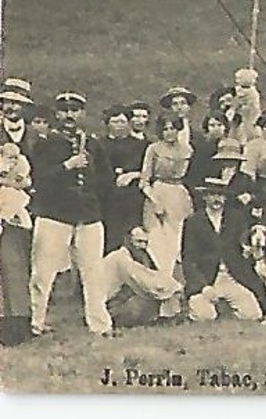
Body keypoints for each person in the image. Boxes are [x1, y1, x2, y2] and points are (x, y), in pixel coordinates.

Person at [29, 92, 115, 337]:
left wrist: (94, 200)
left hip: (88, 215)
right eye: (64, 110)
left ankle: (100, 325)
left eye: (75, 110)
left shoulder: (94, 144)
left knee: (94, 272)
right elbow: (40, 180)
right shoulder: (46, 144)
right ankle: (36, 322)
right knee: (43, 272)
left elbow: (106, 181)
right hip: (54, 214)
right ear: (56, 114)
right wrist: (68, 165)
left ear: (83, 114)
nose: (69, 115)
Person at [183, 178, 266, 322]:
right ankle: (208, 307)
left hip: (231, 277)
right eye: (212, 195)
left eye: (221, 195)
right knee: (205, 317)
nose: (217, 199)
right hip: (208, 279)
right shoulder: (194, 221)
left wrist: (249, 250)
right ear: (205, 197)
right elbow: (188, 260)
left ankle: (225, 308)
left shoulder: (236, 218)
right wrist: (202, 287)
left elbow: (245, 245)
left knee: (253, 315)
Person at [139, 115, 193, 276]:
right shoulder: (153, 149)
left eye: (173, 128)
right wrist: (155, 201)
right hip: (157, 193)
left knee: (178, 237)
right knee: (157, 240)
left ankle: (179, 279)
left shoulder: (187, 150)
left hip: (179, 194)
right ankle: (163, 276)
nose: (169, 132)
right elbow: (144, 181)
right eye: (165, 129)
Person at [101, 225, 185, 328]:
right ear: (127, 241)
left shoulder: (138, 256)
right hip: (107, 307)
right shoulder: (121, 258)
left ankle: (169, 316)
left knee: (151, 298)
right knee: (144, 301)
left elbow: (153, 275)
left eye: (145, 242)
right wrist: (175, 287)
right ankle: (166, 317)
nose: (142, 246)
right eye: (138, 241)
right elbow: (145, 281)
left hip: (118, 300)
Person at [0, 129, 33, 345]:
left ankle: (16, 324)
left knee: (13, 267)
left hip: (9, 214)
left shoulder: (14, 155)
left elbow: (24, 181)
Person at [101, 105, 148, 252]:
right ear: (108, 123)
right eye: (115, 122)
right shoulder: (99, 145)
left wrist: (133, 175)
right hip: (106, 199)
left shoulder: (141, 146)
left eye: (122, 122)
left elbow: (148, 172)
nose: (119, 126)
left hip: (132, 200)